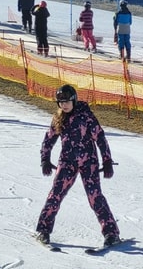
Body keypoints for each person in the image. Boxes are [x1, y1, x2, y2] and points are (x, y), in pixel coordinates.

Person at [35, 84, 120, 248]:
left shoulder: (86, 116)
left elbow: (100, 138)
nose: (64, 105)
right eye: (60, 102)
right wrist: (45, 159)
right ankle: (43, 230)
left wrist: (107, 160)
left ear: (74, 100)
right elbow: (49, 139)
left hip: (89, 162)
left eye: (67, 101)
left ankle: (111, 233)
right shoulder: (59, 118)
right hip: (67, 162)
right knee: (55, 195)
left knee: (95, 197)